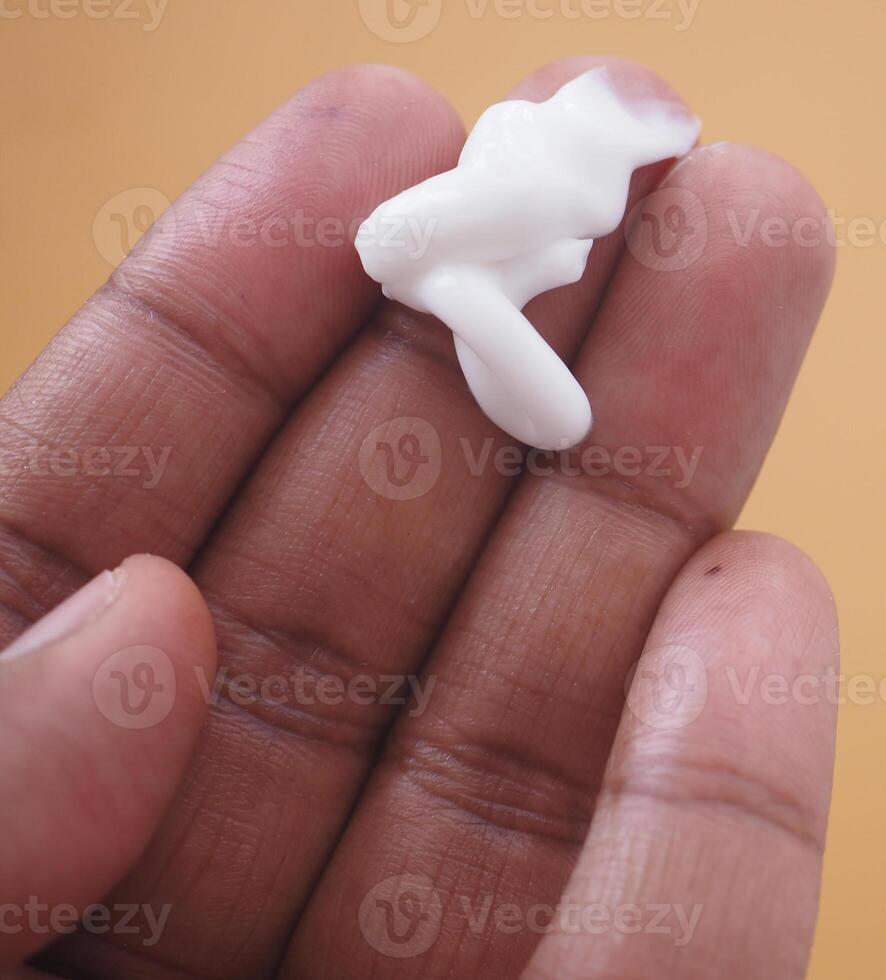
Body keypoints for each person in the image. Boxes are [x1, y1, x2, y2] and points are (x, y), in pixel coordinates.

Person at [0, 56, 838, 979]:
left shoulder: (534, 195)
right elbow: (394, 242)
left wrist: (479, 271)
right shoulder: (520, 173)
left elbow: (414, 253)